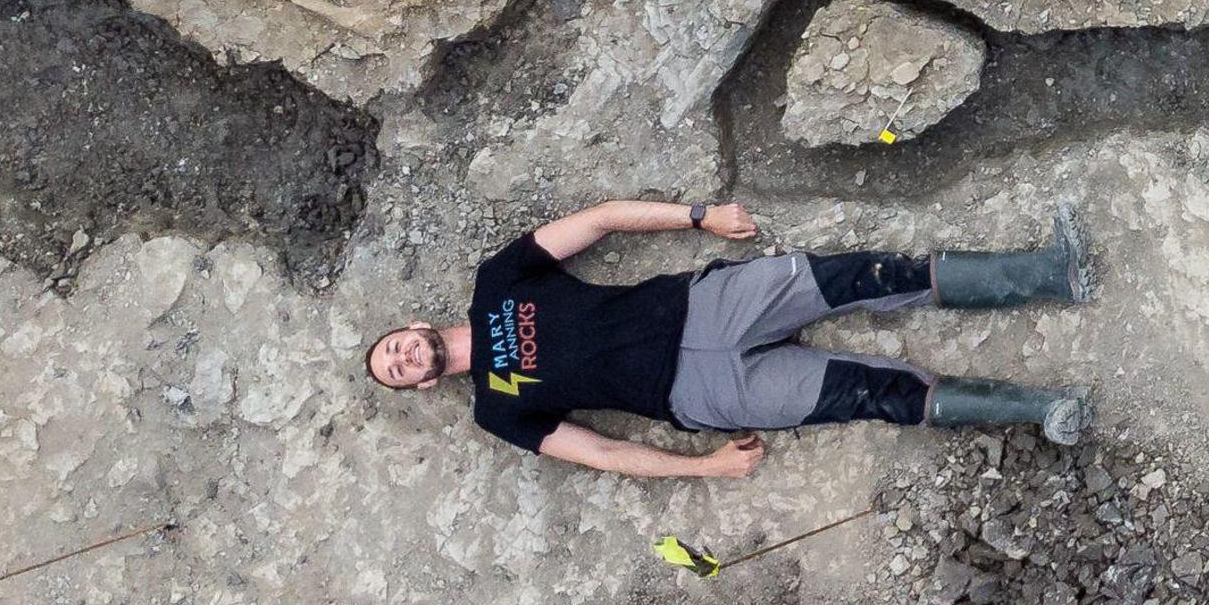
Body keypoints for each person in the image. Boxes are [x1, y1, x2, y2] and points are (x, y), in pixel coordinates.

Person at [361, 198, 1092, 477]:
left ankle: (1050, 272)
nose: (400, 357)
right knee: (875, 392)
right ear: (423, 383)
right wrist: (701, 469)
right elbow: (601, 452)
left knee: (865, 277)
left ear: (414, 327)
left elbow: (601, 219)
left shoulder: (499, 282)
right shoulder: (496, 410)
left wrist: (698, 216)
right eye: (396, 371)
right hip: (701, 391)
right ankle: (1047, 409)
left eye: (392, 346)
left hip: (705, 309)